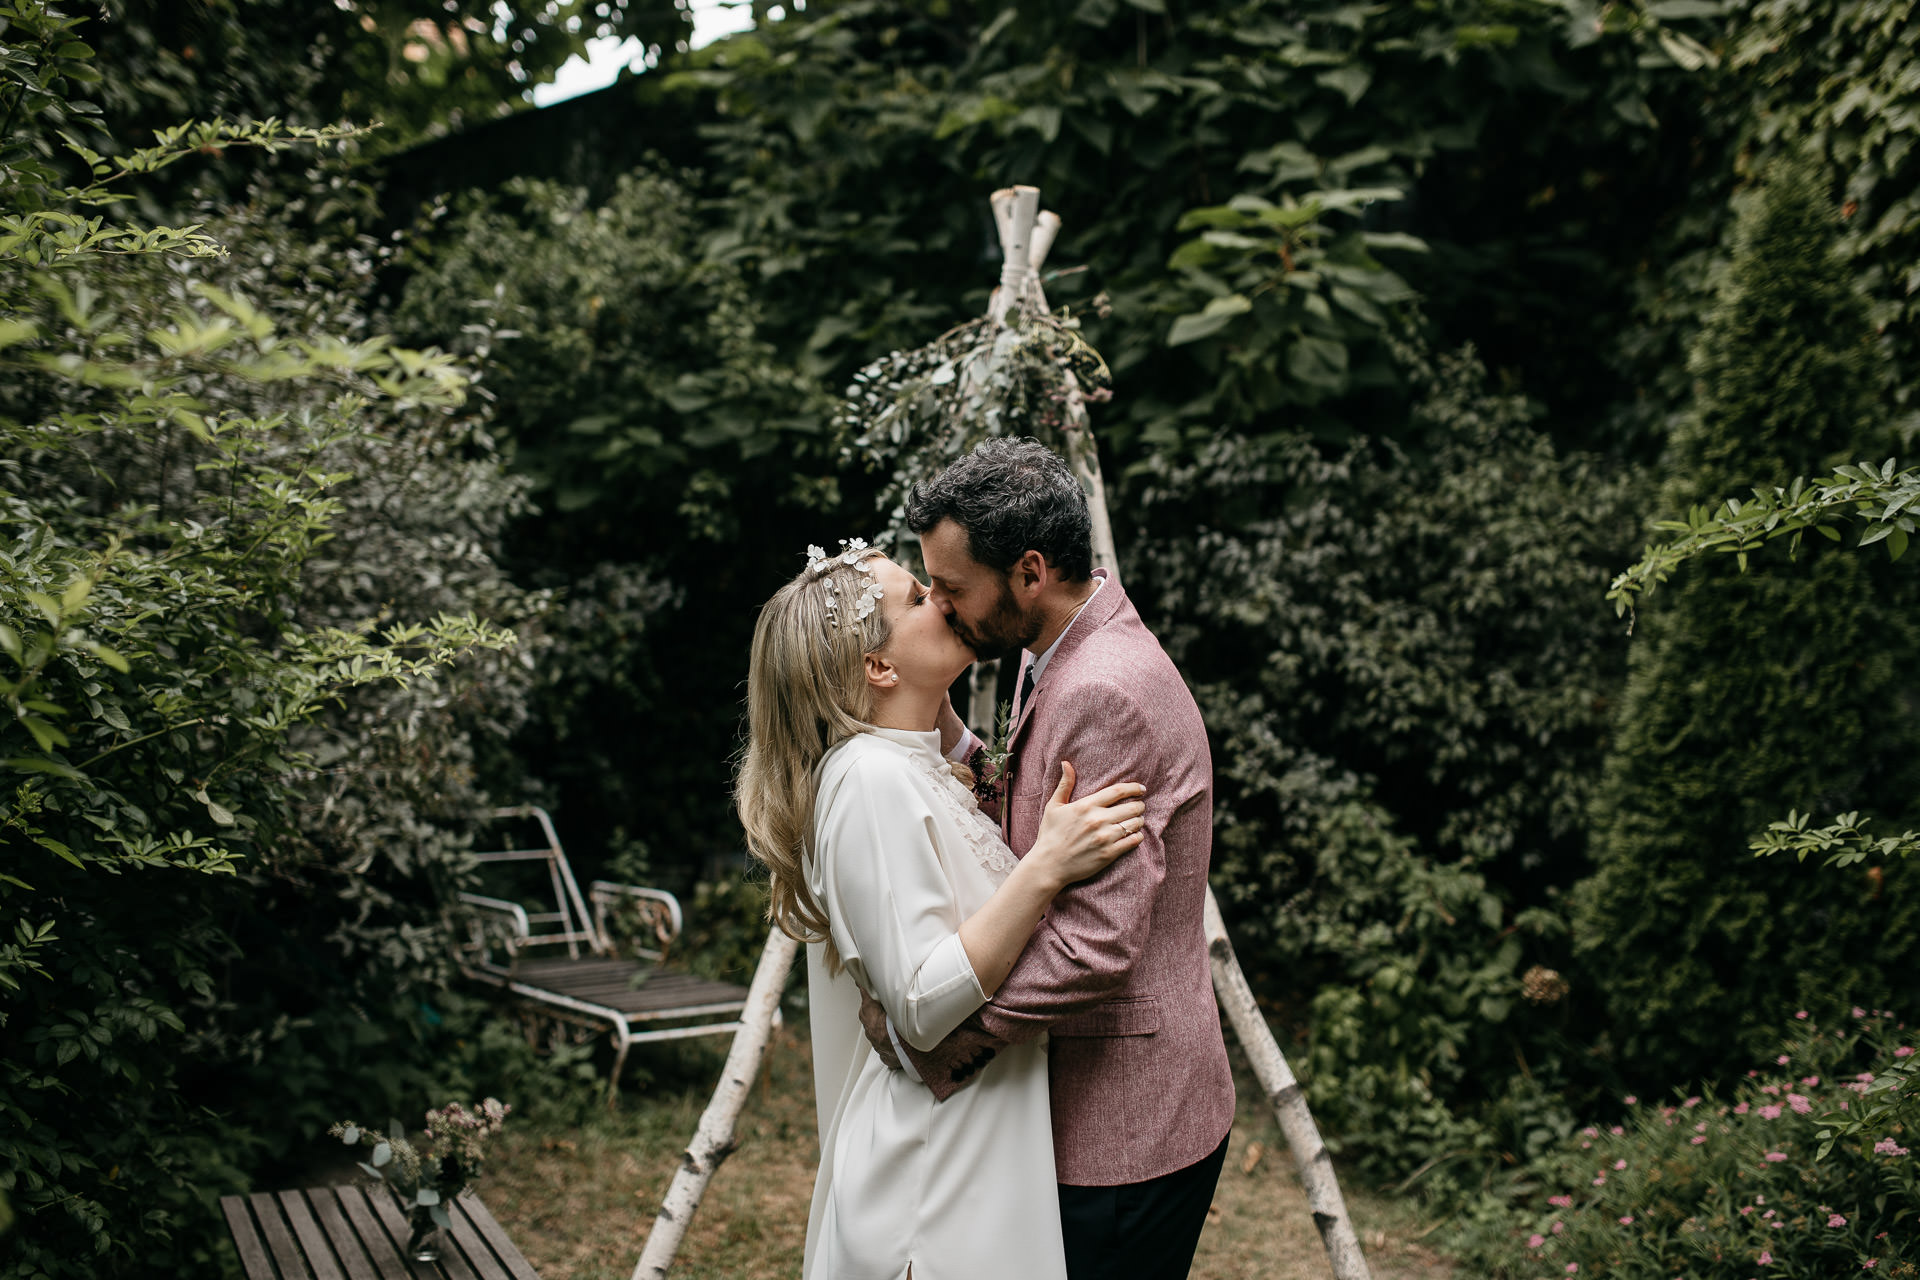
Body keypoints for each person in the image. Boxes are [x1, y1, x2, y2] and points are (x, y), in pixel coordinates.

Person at [863, 438, 1236, 1280]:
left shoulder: (1103, 689)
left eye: (953, 588)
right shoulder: (1058, 641)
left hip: (1121, 1125)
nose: (942, 607)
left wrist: (942, 1039)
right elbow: (1033, 806)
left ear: (1028, 571)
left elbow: (1093, 945)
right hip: (1099, 1103)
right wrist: (940, 724)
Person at [735, 537, 1151, 1280]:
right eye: (918, 598)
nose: (945, 600)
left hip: (976, 1154)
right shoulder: (867, 781)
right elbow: (923, 1005)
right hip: (930, 1184)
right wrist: (1046, 867)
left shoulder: (908, 763)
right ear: (879, 666)